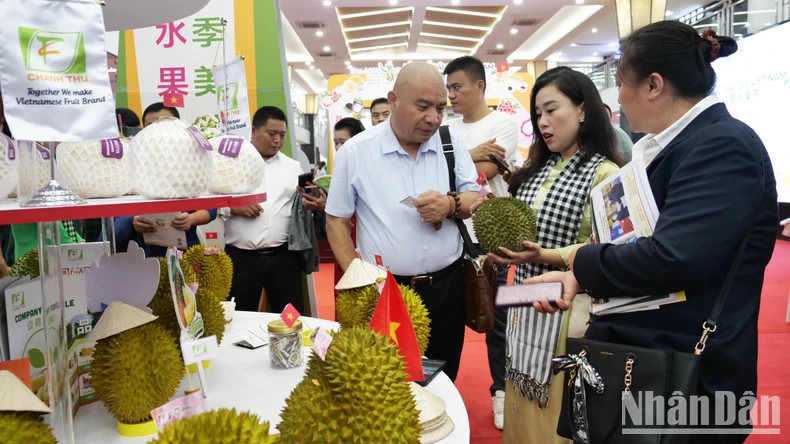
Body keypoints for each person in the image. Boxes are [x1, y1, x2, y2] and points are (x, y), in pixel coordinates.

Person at [525, 22, 777, 444]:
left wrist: (581, 262)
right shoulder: (669, 146)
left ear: (653, 85)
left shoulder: (722, 145)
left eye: (622, 83)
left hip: (686, 373)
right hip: (644, 361)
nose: (619, 97)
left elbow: (674, 257)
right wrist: (578, 278)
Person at [480, 66, 622, 443]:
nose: (542, 122)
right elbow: (520, 228)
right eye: (537, 113)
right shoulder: (537, 169)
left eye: (551, 109)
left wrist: (546, 254)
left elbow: (609, 249)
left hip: (570, 310)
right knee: (522, 402)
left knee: (557, 414)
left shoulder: (604, 173)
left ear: (582, 109)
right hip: (524, 301)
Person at [326, 62, 480, 381]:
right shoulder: (356, 152)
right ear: (393, 101)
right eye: (422, 107)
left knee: (443, 376)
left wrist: (450, 204)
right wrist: (360, 281)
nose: (433, 118)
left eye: (440, 108)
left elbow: (474, 198)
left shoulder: (450, 143)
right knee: (387, 380)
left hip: (447, 286)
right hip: (385, 290)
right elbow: (336, 221)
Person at [444, 55, 518, 430]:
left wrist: (457, 160)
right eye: (448, 88)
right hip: (454, 238)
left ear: (479, 86)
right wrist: (470, 155)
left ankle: (501, 390)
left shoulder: (503, 124)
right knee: (451, 318)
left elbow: (483, 173)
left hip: (494, 239)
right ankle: (442, 391)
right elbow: (441, 175)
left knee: (498, 321)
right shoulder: (446, 128)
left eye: (457, 87)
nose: (451, 95)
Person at [222, 106, 326, 313]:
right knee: (240, 316)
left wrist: (316, 204)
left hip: (284, 257)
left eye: (282, 135)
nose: (277, 140)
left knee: (289, 317)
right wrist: (233, 208)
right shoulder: (230, 164)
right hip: (241, 259)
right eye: (272, 134)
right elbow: (210, 202)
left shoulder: (292, 167)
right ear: (254, 131)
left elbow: (303, 206)